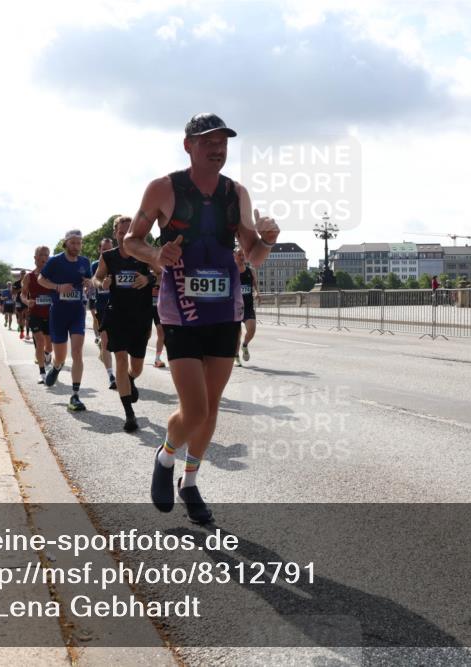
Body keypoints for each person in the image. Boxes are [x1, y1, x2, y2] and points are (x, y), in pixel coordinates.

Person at [124, 112, 279, 524]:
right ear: (188, 144)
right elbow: (130, 241)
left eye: (223, 141)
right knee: (193, 409)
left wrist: (268, 239)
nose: (217, 148)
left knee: (211, 408)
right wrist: (157, 255)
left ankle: (190, 483)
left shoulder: (236, 193)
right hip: (182, 310)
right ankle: (166, 455)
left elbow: (254, 256)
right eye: (208, 141)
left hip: (224, 310)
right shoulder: (164, 188)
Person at [93, 216, 159, 432]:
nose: (124, 236)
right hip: (117, 315)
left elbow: (162, 273)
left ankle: (131, 379)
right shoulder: (108, 256)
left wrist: (148, 279)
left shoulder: (144, 252)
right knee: (120, 359)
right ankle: (129, 414)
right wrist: (102, 282)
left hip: (141, 315)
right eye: (121, 232)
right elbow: (96, 278)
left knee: (136, 367)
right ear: (116, 234)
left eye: (128, 232)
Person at [38, 230, 93, 411]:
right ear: (66, 243)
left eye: (79, 243)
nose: (76, 247)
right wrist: (58, 287)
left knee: (77, 352)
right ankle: (56, 366)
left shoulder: (85, 262)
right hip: (59, 314)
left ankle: (75, 395)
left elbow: (90, 281)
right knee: (60, 355)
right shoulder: (55, 261)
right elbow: (41, 279)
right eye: (73, 243)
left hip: (77, 312)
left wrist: (88, 283)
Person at [23, 246, 54, 383]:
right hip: (35, 313)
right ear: (35, 258)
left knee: (49, 345)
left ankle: (47, 355)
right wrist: (26, 301)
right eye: (41, 255)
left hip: (51, 314)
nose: (44, 257)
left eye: (47, 255)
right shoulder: (29, 277)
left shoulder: (53, 275)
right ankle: (42, 373)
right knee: (39, 341)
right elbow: (22, 294)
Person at [90, 238, 117, 388]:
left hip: (119, 307)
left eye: (109, 248)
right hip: (102, 306)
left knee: (119, 341)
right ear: (99, 250)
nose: (106, 251)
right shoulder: (95, 265)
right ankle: (111, 376)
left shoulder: (118, 261)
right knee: (107, 342)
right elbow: (92, 281)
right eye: (103, 249)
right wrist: (101, 284)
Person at [234, 247, 260, 366]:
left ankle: (245, 345)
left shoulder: (251, 271)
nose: (242, 257)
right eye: (239, 254)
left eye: (243, 255)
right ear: (234, 256)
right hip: (234, 308)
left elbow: (255, 286)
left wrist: (257, 293)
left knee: (252, 329)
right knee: (236, 335)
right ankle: (236, 356)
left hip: (248, 306)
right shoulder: (231, 270)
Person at [152, 279, 166, 368]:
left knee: (161, 333)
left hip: (158, 308)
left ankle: (157, 359)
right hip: (146, 307)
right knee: (147, 334)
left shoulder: (165, 274)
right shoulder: (145, 273)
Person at [13, 270, 28, 339]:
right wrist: (21, 289)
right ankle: (22, 331)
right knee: (20, 317)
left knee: (26, 317)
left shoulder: (28, 282)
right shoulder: (16, 283)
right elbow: (13, 292)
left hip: (26, 300)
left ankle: (25, 333)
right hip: (18, 301)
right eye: (22, 274)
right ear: (20, 275)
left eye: (24, 273)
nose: (23, 275)